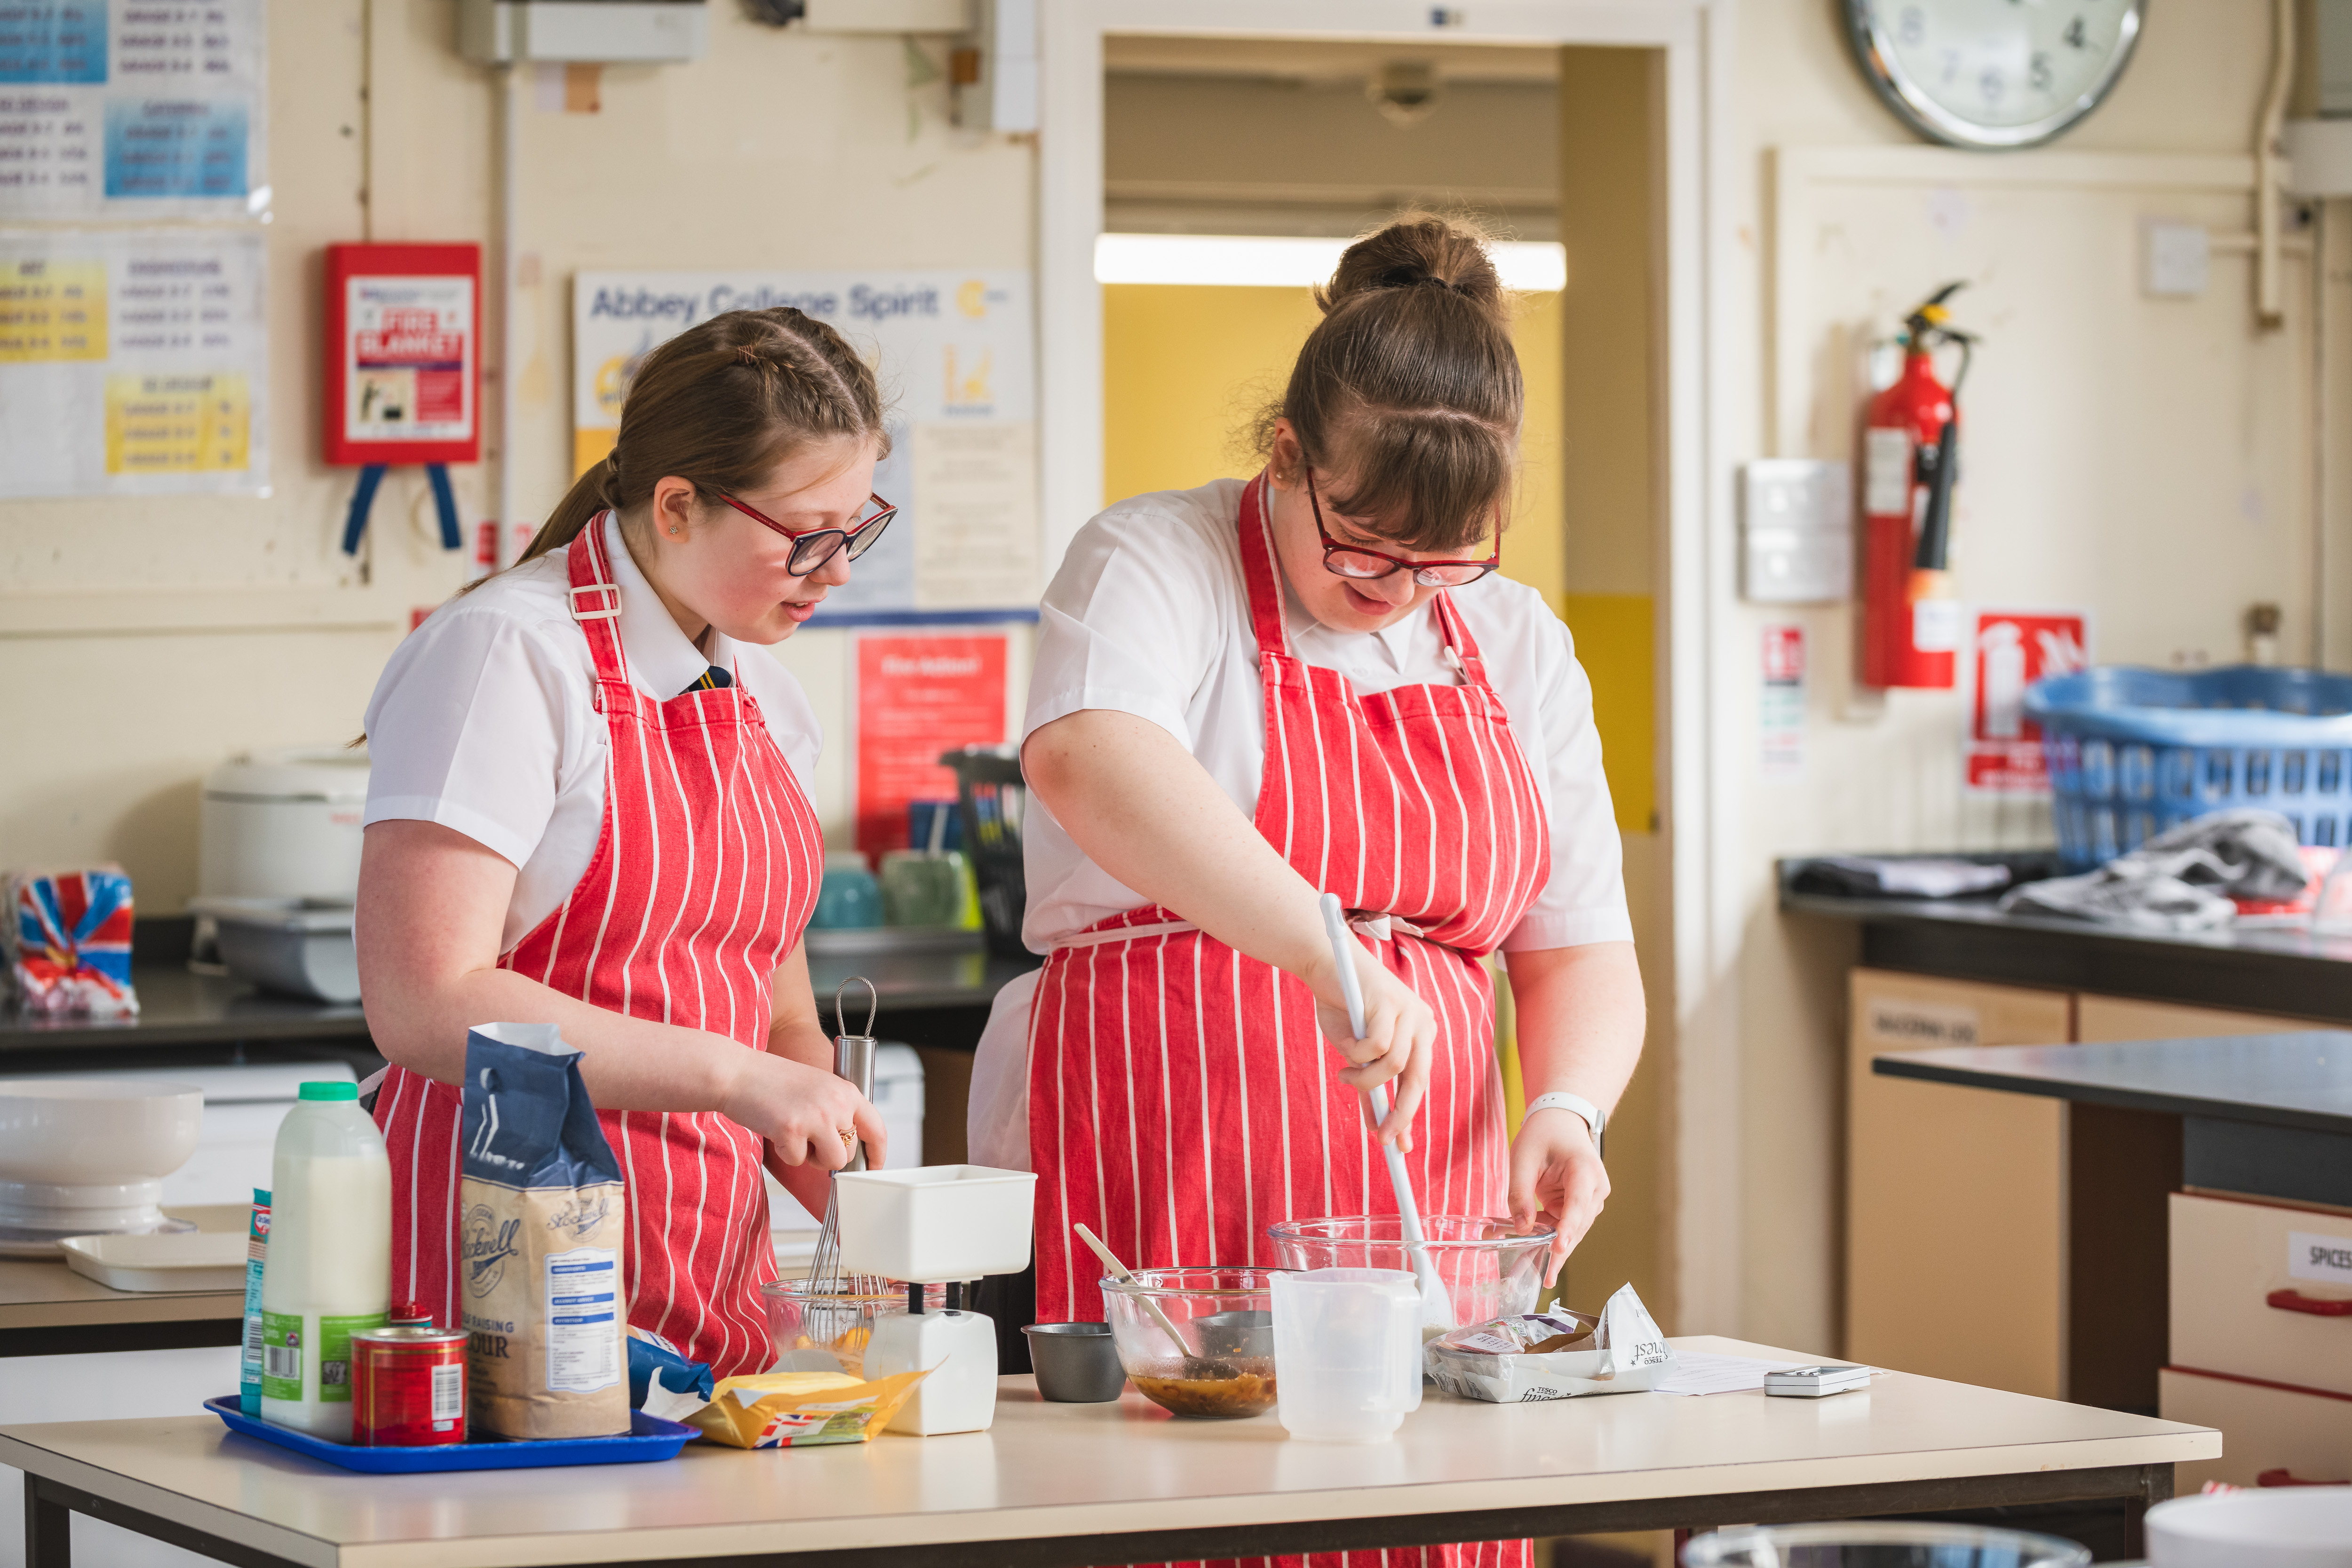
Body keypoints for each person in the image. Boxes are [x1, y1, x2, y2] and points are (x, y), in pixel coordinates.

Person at [975, 218, 1645, 1543]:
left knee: (1411, 1509)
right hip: (1168, 1156)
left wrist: (1569, 1103)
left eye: (1444, 559)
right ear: (1288, 454)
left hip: (1431, 1187)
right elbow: (1090, 757)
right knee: (1183, 1507)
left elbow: (1576, 940)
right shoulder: (1155, 560)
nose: (1398, 590)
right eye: (1363, 547)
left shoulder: (1514, 640)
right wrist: (1324, 946)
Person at [354, 309, 897, 1378]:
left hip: (706, 1286)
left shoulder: (768, 699)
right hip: (498, 1275)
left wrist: (847, 1164)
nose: (835, 571)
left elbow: (774, 1005)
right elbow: (424, 1002)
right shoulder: (505, 656)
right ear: (678, 505)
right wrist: (735, 1079)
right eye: (805, 534)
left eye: (857, 527)